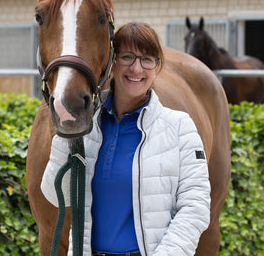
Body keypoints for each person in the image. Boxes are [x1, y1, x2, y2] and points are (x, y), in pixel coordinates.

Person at [41, 22, 211, 256]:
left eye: (147, 59)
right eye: (127, 57)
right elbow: (54, 194)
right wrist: (67, 133)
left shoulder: (180, 127)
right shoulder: (87, 127)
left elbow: (196, 207)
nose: (137, 69)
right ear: (112, 63)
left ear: (157, 66)